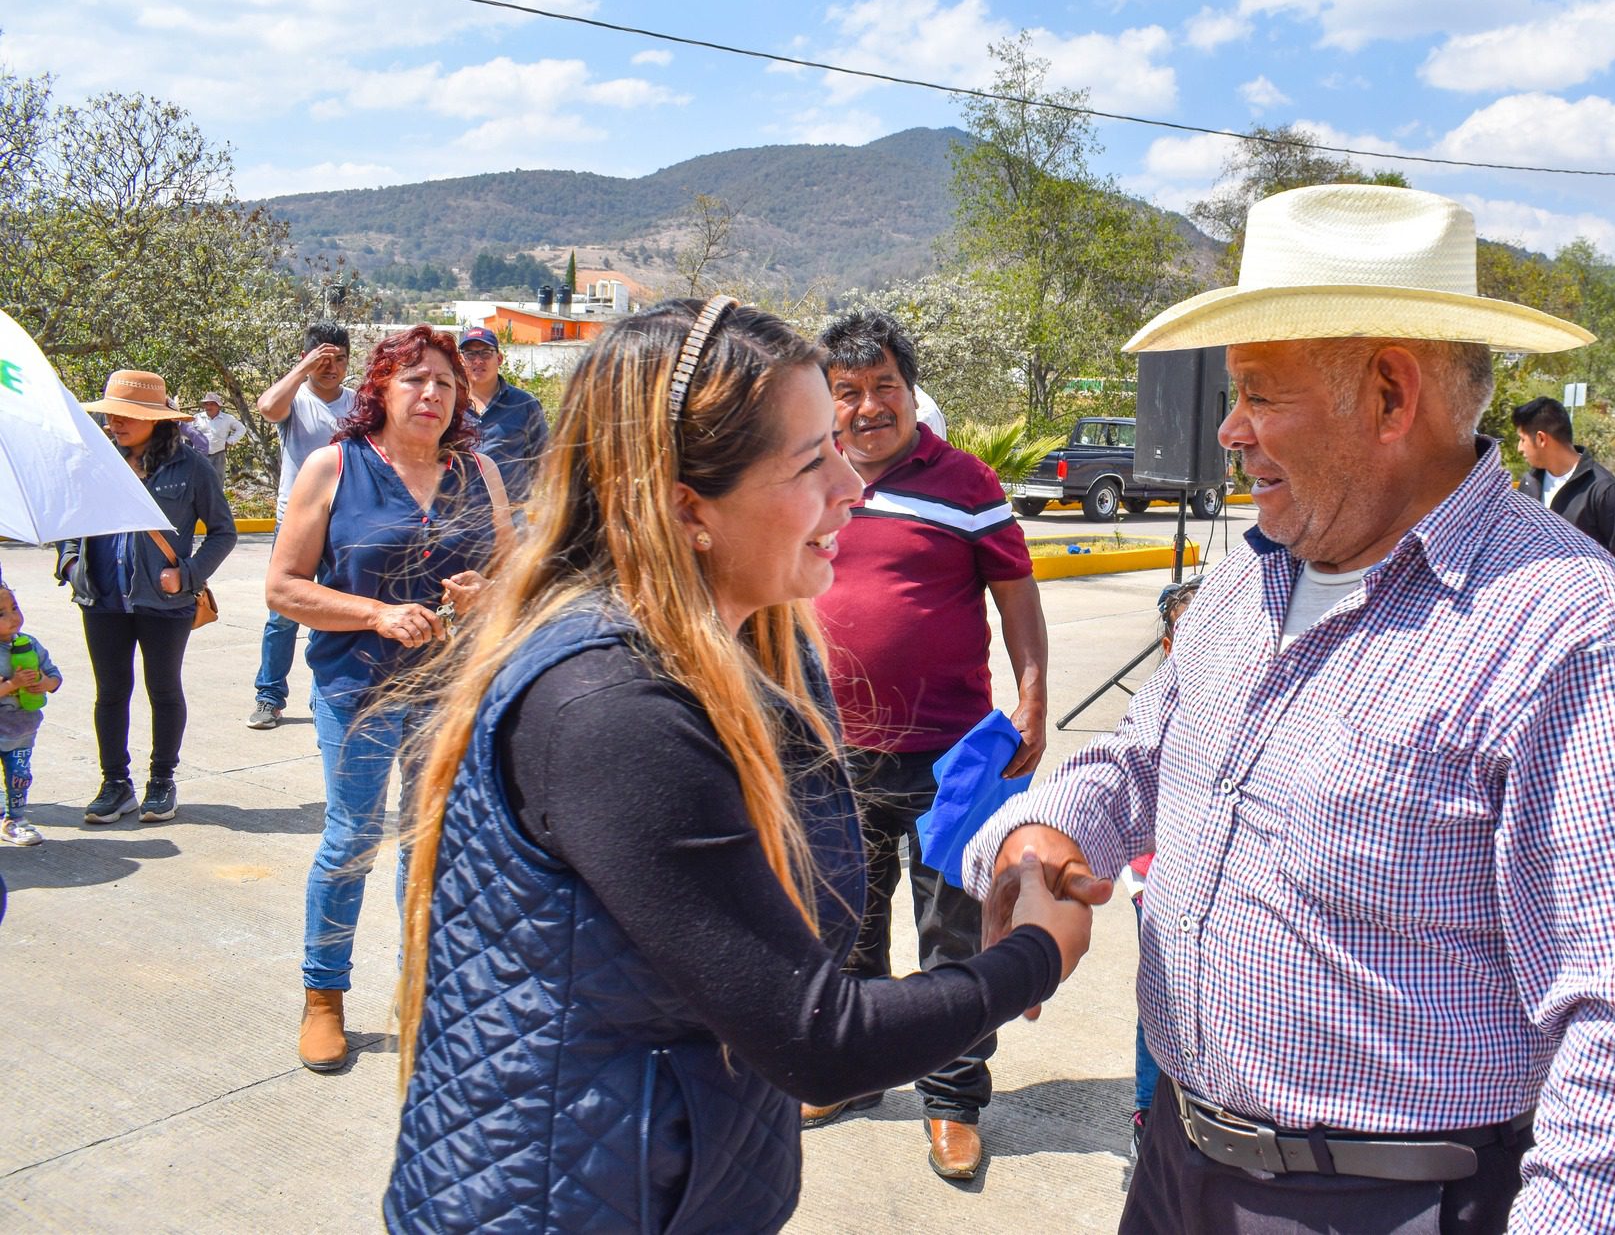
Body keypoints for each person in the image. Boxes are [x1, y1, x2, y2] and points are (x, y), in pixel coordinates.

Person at [964, 185, 1615, 1234]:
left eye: (1258, 394)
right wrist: (1045, 832)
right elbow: (1145, 756)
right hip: (1179, 1163)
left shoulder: (1568, 636)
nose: (1228, 430)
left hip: (1393, 1203)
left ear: (1387, 396)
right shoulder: (1244, 580)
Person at [383, 299, 1090, 1233]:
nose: (852, 486)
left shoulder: (754, 647)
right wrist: (1036, 951)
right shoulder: (612, 707)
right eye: (811, 459)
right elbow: (818, 1034)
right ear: (687, 507)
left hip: (674, 1180)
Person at [806, 309, 1051, 1182]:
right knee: (845, 928)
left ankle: (953, 1099)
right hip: (832, 754)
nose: (868, 407)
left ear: (911, 394)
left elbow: (1017, 594)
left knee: (954, 932)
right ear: (825, 402)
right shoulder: (810, 478)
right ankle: (858, 1073)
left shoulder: (966, 482)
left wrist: (1032, 696)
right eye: (848, 393)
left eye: (884, 389)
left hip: (953, 756)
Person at [267, 325, 510, 1072]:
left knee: (427, 848)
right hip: (359, 689)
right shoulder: (332, 466)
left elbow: (518, 577)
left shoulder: (480, 472)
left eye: (443, 381)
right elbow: (283, 586)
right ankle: (323, 997)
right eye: (413, 379)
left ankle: (420, 993)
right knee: (349, 841)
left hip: (449, 690)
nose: (431, 393)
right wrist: (375, 613)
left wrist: (488, 589)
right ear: (381, 390)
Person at [57, 371, 238, 825]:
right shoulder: (95, 462)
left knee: (163, 689)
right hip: (101, 598)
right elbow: (69, 522)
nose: (115, 423)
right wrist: (71, 564)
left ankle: (161, 782)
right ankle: (115, 784)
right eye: (112, 414)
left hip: (165, 603)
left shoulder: (191, 467)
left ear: (156, 420)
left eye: (127, 416)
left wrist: (188, 574)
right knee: (111, 692)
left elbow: (223, 532)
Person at [1124, 576, 1201, 1162]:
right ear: (1170, 643)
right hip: (1158, 880)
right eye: (1187, 630)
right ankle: (1150, 1115)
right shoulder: (1160, 702)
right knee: (1163, 999)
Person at [248, 324, 355, 730]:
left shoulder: (359, 403)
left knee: (334, 613)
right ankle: (269, 696)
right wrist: (302, 370)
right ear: (308, 359)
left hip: (344, 521)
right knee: (282, 613)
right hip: (293, 520)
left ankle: (324, 695)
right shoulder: (295, 400)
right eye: (323, 359)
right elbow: (267, 407)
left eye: (340, 359)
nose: (332, 368)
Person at [1512, 395, 1615, 573]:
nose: (1519, 448)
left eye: (1522, 439)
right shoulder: (1529, 483)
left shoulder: (1605, 491)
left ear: (1541, 439)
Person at [456, 325, 551, 508]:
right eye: (470, 354)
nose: (478, 361)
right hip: (460, 515)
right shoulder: (449, 404)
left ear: (499, 359)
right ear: (461, 360)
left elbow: (541, 457)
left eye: (485, 353)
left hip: (513, 512)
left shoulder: (524, 404)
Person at [0, 585, 64, 846]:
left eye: (15, 608)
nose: (13, 617)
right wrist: (12, 684)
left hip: (23, 729)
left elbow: (55, 677)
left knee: (19, 776)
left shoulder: (30, 645)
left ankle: (15, 819)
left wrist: (44, 683)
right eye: (2, 613)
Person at [191, 392, 249, 485]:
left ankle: (216, 499)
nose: (209, 407)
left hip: (218, 455)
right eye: (207, 404)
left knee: (217, 482)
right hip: (199, 455)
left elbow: (241, 429)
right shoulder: (197, 418)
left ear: (218, 406)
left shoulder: (227, 418)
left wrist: (230, 441)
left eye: (212, 404)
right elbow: (186, 433)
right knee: (198, 482)